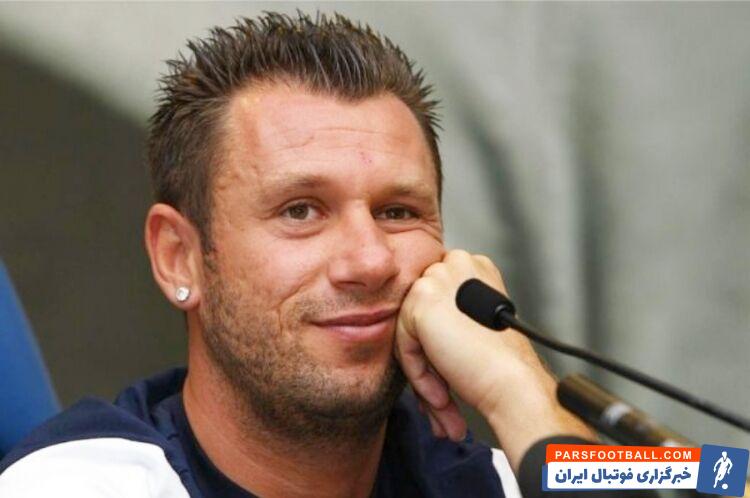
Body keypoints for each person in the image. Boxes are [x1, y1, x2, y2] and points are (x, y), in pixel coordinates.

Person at [0, 11, 650, 498]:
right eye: (301, 211)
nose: (369, 261)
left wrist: (522, 389)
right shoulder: (78, 483)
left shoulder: (499, 469)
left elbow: (705, 473)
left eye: (398, 212)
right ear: (180, 257)